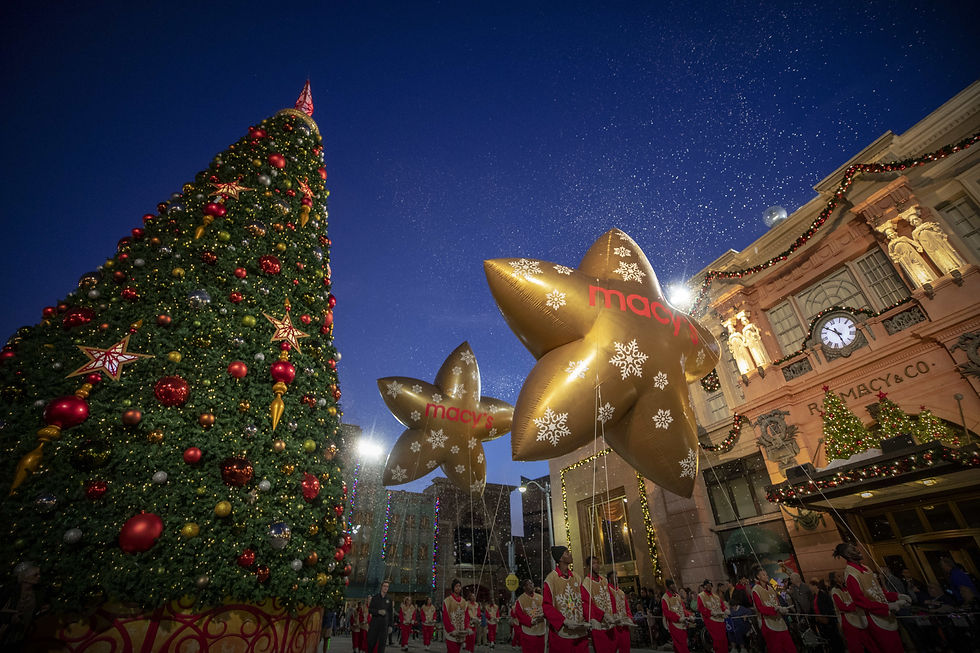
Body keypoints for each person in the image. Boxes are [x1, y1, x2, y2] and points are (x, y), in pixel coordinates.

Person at [834, 542, 909, 652]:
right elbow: (860, 601)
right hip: (874, 619)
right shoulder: (851, 575)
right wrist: (888, 607)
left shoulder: (866, 568)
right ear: (848, 555)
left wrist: (897, 596)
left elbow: (877, 591)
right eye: (854, 550)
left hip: (885, 614)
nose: (858, 550)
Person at [542, 545, 588, 653]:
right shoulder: (550, 579)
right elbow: (546, 606)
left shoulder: (576, 577)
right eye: (567, 553)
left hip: (580, 631)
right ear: (561, 558)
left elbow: (585, 601)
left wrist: (592, 617)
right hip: (562, 633)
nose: (570, 554)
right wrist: (563, 621)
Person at [750, 566, 796, 653]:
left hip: (779, 621)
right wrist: (774, 609)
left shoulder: (771, 588)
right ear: (758, 576)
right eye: (763, 575)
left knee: (789, 647)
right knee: (775, 648)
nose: (766, 576)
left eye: (766, 574)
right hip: (768, 623)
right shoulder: (755, 590)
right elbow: (760, 608)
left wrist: (781, 608)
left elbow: (777, 602)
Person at [829, 570, 875, 652]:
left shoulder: (846, 588)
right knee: (855, 645)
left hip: (857, 617)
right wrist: (857, 605)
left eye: (842, 575)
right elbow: (841, 607)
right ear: (834, 580)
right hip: (847, 620)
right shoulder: (835, 591)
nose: (842, 577)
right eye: (839, 576)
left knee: (868, 641)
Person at [514, 578, 546, 653]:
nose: (532, 585)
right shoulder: (520, 600)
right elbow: (519, 615)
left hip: (541, 630)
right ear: (524, 587)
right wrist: (530, 621)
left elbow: (546, 609)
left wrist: (544, 614)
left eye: (532, 584)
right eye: (529, 584)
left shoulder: (541, 598)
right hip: (528, 632)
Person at [696, 580, 728, 653]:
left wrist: (725, 610)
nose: (708, 587)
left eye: (710, 585)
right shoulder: (701, 596)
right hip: (711, 620)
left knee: (724, 639)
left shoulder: (716, 596)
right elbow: (701, 608)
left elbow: (722, 605)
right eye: (706, 585)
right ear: (704, 586)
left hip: (720, 619)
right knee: (717, 639)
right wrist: (711, 612)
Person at [660, 578, 692, 653]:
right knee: (681, 644)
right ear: (669, 586)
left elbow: (682, 608)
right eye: (672, 585)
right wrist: (678, 618)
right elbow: (666, 612)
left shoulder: (677, 596)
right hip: (674, 624)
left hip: (682, 623)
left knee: (680, 644)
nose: (674, 586)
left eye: (674, 584)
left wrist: (689, 615)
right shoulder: (665, 598)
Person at [606, 571, 632, 653]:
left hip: (624, 624)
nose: (617, 579)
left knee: (625, 648)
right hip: (614, 623)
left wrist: (629, 617)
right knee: (612, 648)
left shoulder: (621, 592)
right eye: (614, 577)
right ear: (610, 579)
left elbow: (627, 607)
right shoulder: (607, 590)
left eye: (617, 577)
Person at [443, 579, 472, 653]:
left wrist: (467, 627)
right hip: (451, 632)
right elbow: (445, 618)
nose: (458, 588)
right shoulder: (447, 601)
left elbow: (466, 616)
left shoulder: (464, 602)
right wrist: (451, 629)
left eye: (459, 586)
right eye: (456, 586)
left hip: (460, 632)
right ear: (453, 588)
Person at [368, 581, 395, 653]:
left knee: (382, 644)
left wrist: (390, 626)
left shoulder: (389, 599)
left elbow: (390, 613)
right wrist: (378, 612)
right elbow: (370, 610)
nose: (386, 588)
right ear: (381, 587)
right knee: (371, 643)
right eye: (384, 586)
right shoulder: (375, 598)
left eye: (387, 586)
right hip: (375, 624)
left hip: (384, 626)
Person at [727, 587, 753, 653]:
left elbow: (750, 612)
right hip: (735, 626)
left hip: (744, 625)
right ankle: (734, 648)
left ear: (735, 605)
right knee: (730, 632)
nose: (733, 608)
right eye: (731, 607)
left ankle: (743, 648)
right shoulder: (731, 610)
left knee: (737, 631)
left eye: (733, 606)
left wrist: (746, 615)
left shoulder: (742, 608)